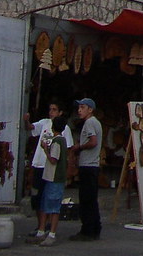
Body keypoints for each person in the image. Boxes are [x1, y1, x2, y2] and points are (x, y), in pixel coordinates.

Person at [30, 115, 68, 247]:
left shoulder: (57, 142)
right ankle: (42, 232)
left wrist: (45, 150)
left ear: (52, 127)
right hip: (52, 177)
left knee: (53, 206)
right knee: (47, 204)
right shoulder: (61, 140)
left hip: (54, 177)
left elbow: (53, 160)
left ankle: (51, 233)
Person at [70, 97, 102, 242]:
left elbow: (93, 142)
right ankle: (95, 228)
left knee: (86, 200)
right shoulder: (95, 123)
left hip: (88, 166)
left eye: (82, 107)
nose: (79, 110)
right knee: (91, 199)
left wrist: (79, 147)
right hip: (93, 166)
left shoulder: (89, 123)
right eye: (79, 107)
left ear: (90, 109)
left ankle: (87, 230)